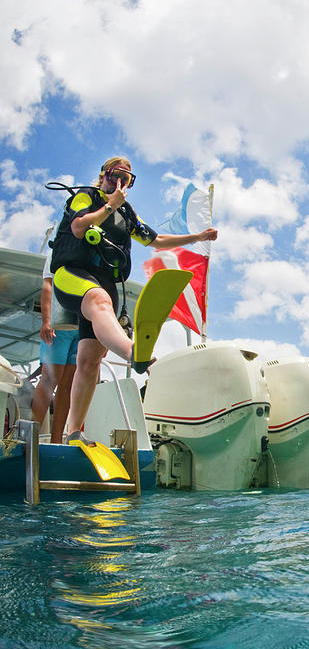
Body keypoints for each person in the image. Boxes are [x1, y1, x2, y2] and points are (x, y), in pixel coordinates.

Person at [50, 157, 217, 443]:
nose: (119, 183)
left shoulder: (126, 213)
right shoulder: (86, 197)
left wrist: (196, 237)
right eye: (114, 176)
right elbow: (79, 228)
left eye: (126, 179)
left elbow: (154, 240)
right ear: (102, 176)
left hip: (106, 280)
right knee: (100, 303)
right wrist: (110, 204)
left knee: (90, 361)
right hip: (73, 274)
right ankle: (133, 353)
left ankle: (74, 433)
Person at [31, 254, 79, 443]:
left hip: (82, 325)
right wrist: (46, 320)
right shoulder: (59, 249)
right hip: (59, 322)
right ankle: (31, 435)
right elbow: (48, 284)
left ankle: (57, 439)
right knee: (50, 378)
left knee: (68, 385)